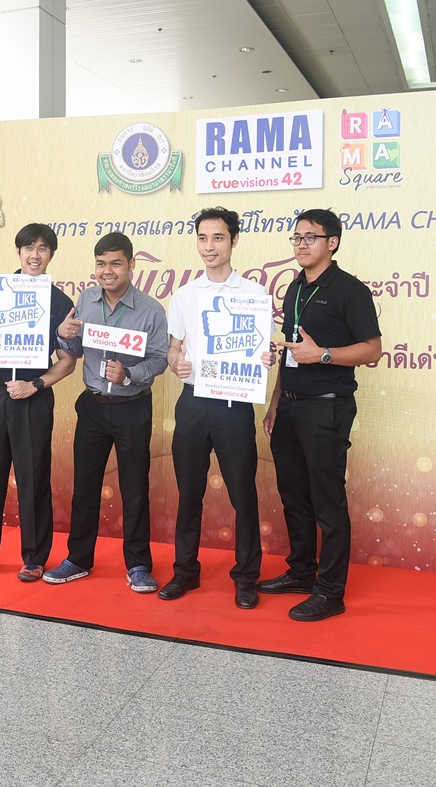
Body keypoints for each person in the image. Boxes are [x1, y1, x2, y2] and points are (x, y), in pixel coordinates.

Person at [260, 208, 382, 621]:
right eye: (296, 238)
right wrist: (276, 402)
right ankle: (301, 572)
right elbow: (291, 351)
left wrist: (324, 355)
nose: (301, 244)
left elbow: (372, 349)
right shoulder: (294, 288)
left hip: (327, 406)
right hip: (291, 406)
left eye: (309, 237)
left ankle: (330, 592)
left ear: (332, 242)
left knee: (327, 501)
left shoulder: (350, 290)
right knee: (294, 495)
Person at [160, 206, 275, 610]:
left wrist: (266, 360)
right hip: (193, 403)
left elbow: (263, 351)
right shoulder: (184, 295)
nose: (209, 246)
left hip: (234, 405)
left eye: (218, 238)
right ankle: (185, 571)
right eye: (203, 238)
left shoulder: (255, 295)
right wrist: (176, 363)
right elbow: (173, 348)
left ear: (234, 240)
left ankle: (246, 578)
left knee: (243, 494)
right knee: (189, 493)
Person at [44, 233, 168, 591]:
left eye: (116, 263)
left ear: (131, 265)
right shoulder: (86, 299)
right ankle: (78, 559)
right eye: (101, 264)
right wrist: (64, 334)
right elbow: (74, 350)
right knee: (85, 487)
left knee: (134, 489)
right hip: (94, 407)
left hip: (132, 409)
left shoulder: (151, 310)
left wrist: (129, 374)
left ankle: (139, 564)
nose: (107, 271)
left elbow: (160, 359)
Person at [0, 223, 77, 581]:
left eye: (42, 249)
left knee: (33, 479)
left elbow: (68, 362)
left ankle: (35, 558)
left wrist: (34, 385)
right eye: (28, 248)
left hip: (32, 400)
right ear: (19, 252)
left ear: (51, 255)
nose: (35, 255)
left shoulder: (60, 303)